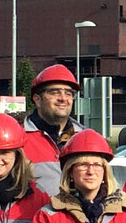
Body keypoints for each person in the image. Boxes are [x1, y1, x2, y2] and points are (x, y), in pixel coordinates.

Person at [22, 64, 89, 195]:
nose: (63, 98)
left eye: (68, 93)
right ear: (37, 99)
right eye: (54, 92)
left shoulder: (85, 138)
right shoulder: (18, 139)